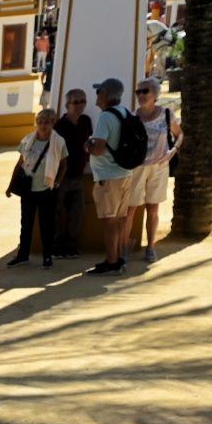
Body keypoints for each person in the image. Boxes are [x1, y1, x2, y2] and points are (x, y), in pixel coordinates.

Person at [124, 77, 183, 265]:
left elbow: (179, 134)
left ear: (155, 94)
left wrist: (173, 151)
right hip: (138, 168)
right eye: (138, 92)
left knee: (153, 208)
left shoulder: (166, 114)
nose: (141, 95)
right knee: (130, 209)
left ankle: (150, 247)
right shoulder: (133, 117)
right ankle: (124, 246)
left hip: (159, 167)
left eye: (145, 91)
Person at [6, 108, 68, 269]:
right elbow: (19, 164)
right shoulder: (27, 140)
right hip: (28, 189)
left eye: (46, 122)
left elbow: (63, 165)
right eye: (40, 122)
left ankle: (47, 256)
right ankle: (23, 255)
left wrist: (57, 182)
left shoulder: (58, 142)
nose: (42, 125)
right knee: (26, 223)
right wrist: (10, 185)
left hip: (47, 189)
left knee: (47, 225)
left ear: (53, 123)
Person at [85, 78, 134, 276]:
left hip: (108, 176)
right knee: (119, 220)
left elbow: (98, 149)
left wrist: (87, 145)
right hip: (125, 174)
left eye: (99, 92)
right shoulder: (124, 112)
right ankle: (117, 259)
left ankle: (112, 263)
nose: (96, 96)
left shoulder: (105, 117)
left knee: (109, 221)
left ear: (106, 95)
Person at [53, 89, 94, 259]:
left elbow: (90, 142)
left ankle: (70, 243)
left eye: (83, 101)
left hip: (78, 174)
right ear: (67, 105)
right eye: (76, 102)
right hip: (61, 176)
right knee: (55, 210)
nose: (80, 105)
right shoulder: (59, 126)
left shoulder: (86, 121)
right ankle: (56, 244)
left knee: (78, 212)